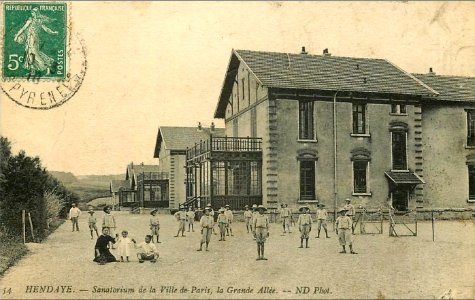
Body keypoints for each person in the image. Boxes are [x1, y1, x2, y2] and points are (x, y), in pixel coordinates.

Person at [13, 7, 58, 75]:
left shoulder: (36, 21)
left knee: (35, 54)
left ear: (36, 13)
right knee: (30, 54)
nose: (32, 14)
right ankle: (33, 71)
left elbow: (46, 29)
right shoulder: (34, 21)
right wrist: (17, 36)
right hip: (30, 39)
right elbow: (23, 29)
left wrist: (53, 32)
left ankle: (48, 65)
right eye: (32, 12)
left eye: (33, 12)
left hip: (33, 39)